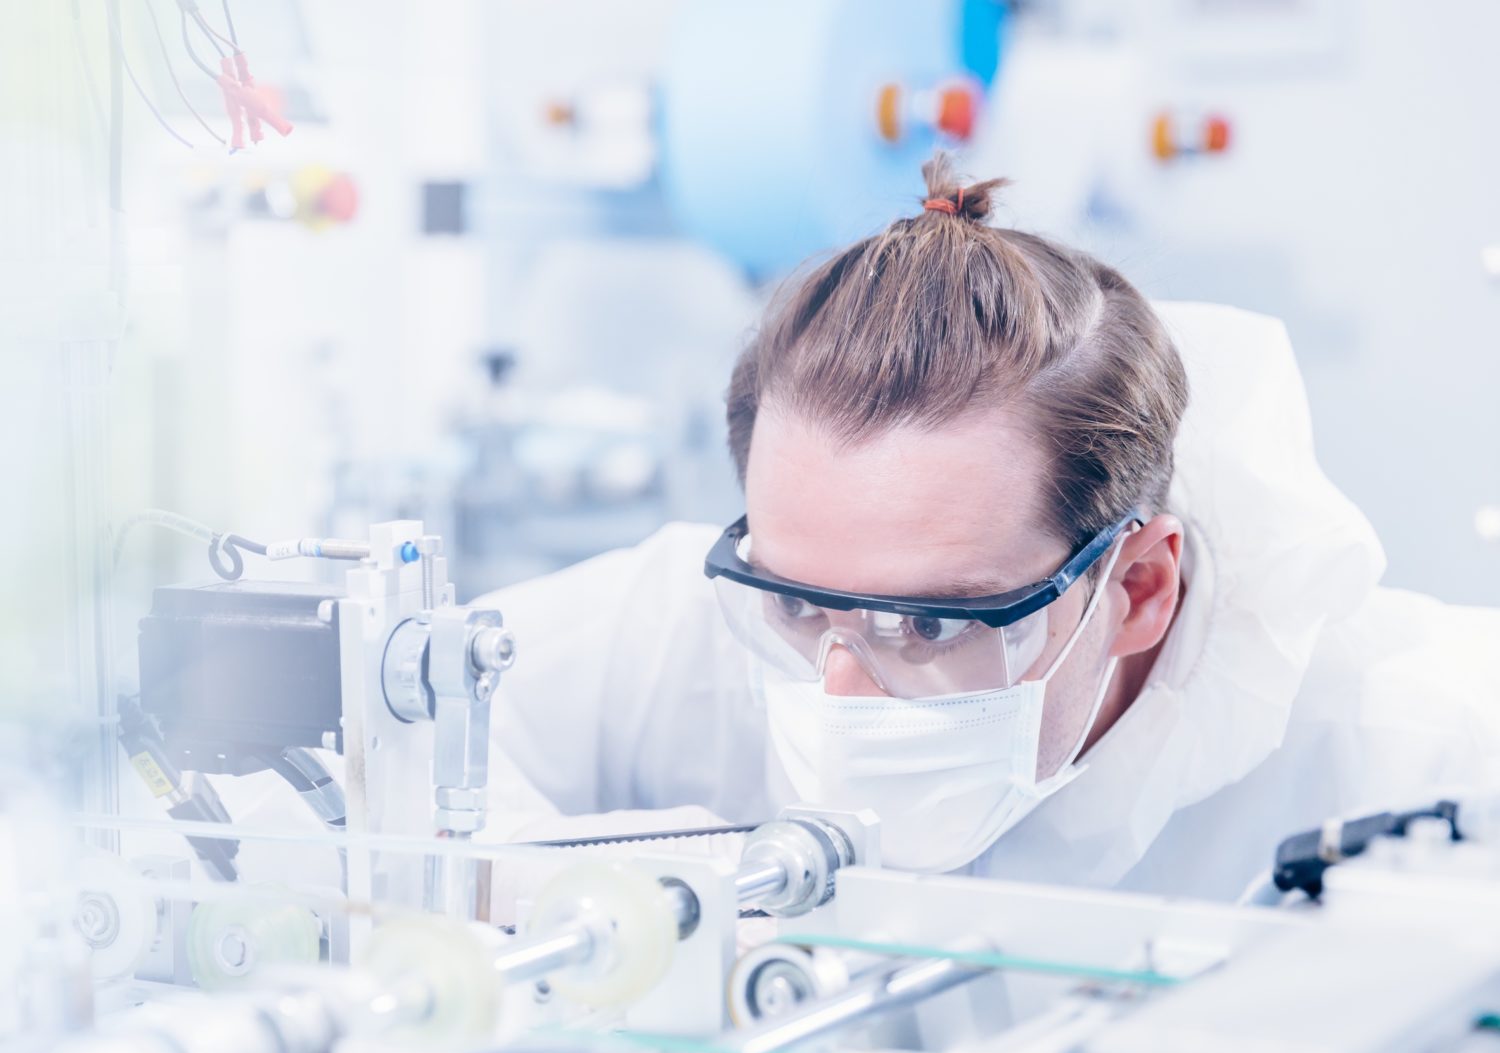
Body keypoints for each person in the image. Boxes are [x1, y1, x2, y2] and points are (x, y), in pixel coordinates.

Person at [478, 156, 1500, 901]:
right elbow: (372, 745)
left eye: (929, 625)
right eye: (801, 605)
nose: (836, 695)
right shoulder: (730, 615)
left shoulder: (1420, 750)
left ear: (1138, 587)